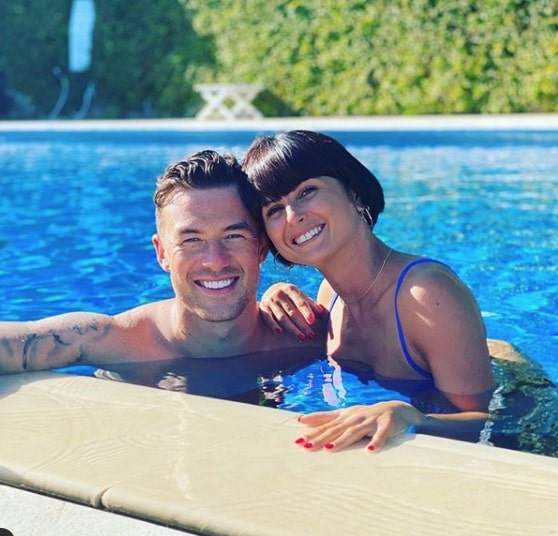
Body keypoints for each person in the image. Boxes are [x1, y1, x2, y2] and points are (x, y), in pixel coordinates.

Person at [242, 129, 527, 453]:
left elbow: (496, 423)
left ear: (354, 193)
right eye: (274, 210)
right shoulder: (329, 297)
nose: (294, 217)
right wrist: (271, 295)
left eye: (307, 191)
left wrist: (411, 418)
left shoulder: (425, 295)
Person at [0, 150, 324, 401]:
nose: (215, 261)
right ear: (162, 253)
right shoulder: (116, 341)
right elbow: (19, 338)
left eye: (233, 236)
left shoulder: (302, 334)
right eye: (191, 240)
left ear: (262, 247)